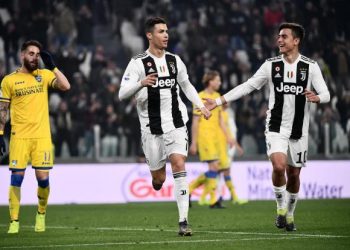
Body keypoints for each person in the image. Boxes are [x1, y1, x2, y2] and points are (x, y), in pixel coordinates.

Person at [204, 23, 330, 231]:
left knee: (295, 174)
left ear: (296, 41)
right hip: (275, 126)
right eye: (278, 36)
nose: (279, 40)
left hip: (299, 130)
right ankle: (280, 208)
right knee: (279, 167)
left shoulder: (310, 66)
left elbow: (326, 93)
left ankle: (289, 214)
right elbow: (248, 86)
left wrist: (317, 98)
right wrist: (218, 102)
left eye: (284, 37)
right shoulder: (271, 65)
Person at [118, 17, 211, 236]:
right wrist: (141, 83)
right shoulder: (138, 63)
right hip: (151, 128)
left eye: (167, 31)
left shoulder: (175, 60)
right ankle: (157, 180)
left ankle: (183, 221)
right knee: (159, 178)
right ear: (149, 35)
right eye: (161, 31)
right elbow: (122, 94)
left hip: (176, 123)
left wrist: (200, 106)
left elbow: (186, 85)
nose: (166, 35)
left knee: (179, 164)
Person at [0, 40, 71, 234]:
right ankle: (14, 221)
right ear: (22, 55)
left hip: (41, 137)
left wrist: (53, 66)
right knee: (16, 177)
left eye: (37, 54)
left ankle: (41, 214)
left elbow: (66, 86)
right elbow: (3, 109)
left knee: (43, 179)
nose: (34, 57)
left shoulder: (44, 75)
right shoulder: (9, 80)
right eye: (31, 53)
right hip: (19, 136)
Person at [189, 70, 232, 208]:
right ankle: (213, 200)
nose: (219, 83)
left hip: (216, 138)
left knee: (216, 167)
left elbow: (220, 121)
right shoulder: (199, 97)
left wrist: (229, 138)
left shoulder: (217, 96)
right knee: (214, 166)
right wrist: (194, 142)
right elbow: (195, 122)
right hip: (204, 137)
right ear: (210, 81)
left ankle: (190, 189)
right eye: (217, 80)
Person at [216, 103, 247, 205]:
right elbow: (228, 134)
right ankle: (223, 197)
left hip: (230, 149)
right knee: (222, 172)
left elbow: (232, 134)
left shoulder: (230, 113)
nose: (228, 103)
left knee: (223, 172)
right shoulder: (222, 115)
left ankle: (225, 196)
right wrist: (237, 146)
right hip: (225, 147)